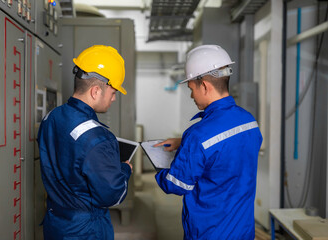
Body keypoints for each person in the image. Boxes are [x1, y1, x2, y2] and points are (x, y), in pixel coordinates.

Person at [154, 45, 263, 240]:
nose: (191, 96)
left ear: (204, 85)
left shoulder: (198, 135)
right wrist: (182, 142)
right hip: (242, 231)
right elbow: (225, 147)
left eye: (191, 89)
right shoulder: (249, 122)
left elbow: (177, 185)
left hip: (210, 232)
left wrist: (159, 164)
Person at [37, 45, 133, 240]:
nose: (114, 99)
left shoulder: (51, 117)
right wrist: (125, 170)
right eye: (113, 93)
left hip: (56, 223)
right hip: (86, 230)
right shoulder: (98, 138)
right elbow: (111, 195)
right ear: (96, 91)